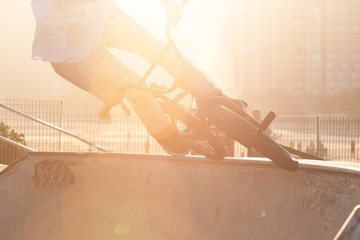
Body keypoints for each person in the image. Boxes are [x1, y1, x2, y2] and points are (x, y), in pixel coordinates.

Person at [31, 0, 239, 156]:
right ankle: (167, 136)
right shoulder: (49, 15)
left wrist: (170, 7)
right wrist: (99, 91)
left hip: (107, 18)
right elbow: (60, 67)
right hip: (83, 50)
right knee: (135, 87)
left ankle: (213, 96)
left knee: (160, 52)